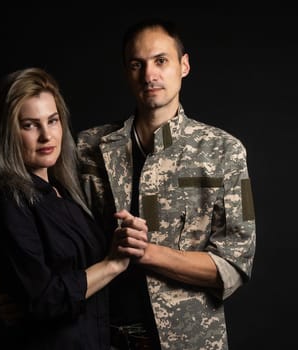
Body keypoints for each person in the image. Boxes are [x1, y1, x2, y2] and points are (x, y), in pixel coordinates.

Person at [76, 18, 256, 350]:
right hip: (99, 337)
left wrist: (147, 253)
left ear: (183, 66)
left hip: (189, 341)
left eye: (161, 61)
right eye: (137, 64)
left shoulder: (224, 151)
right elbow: (52, 223)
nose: (149, 75)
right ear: (126, 72)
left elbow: (234, 263)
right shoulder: (88, 148)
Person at [0, 67, 148, 349]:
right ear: (6, 133)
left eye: (53, 121)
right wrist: (112, 264)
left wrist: (122, 242)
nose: (47, 135)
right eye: (30, 125)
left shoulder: (65, 192)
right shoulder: (9, 202)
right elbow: (44, 299)